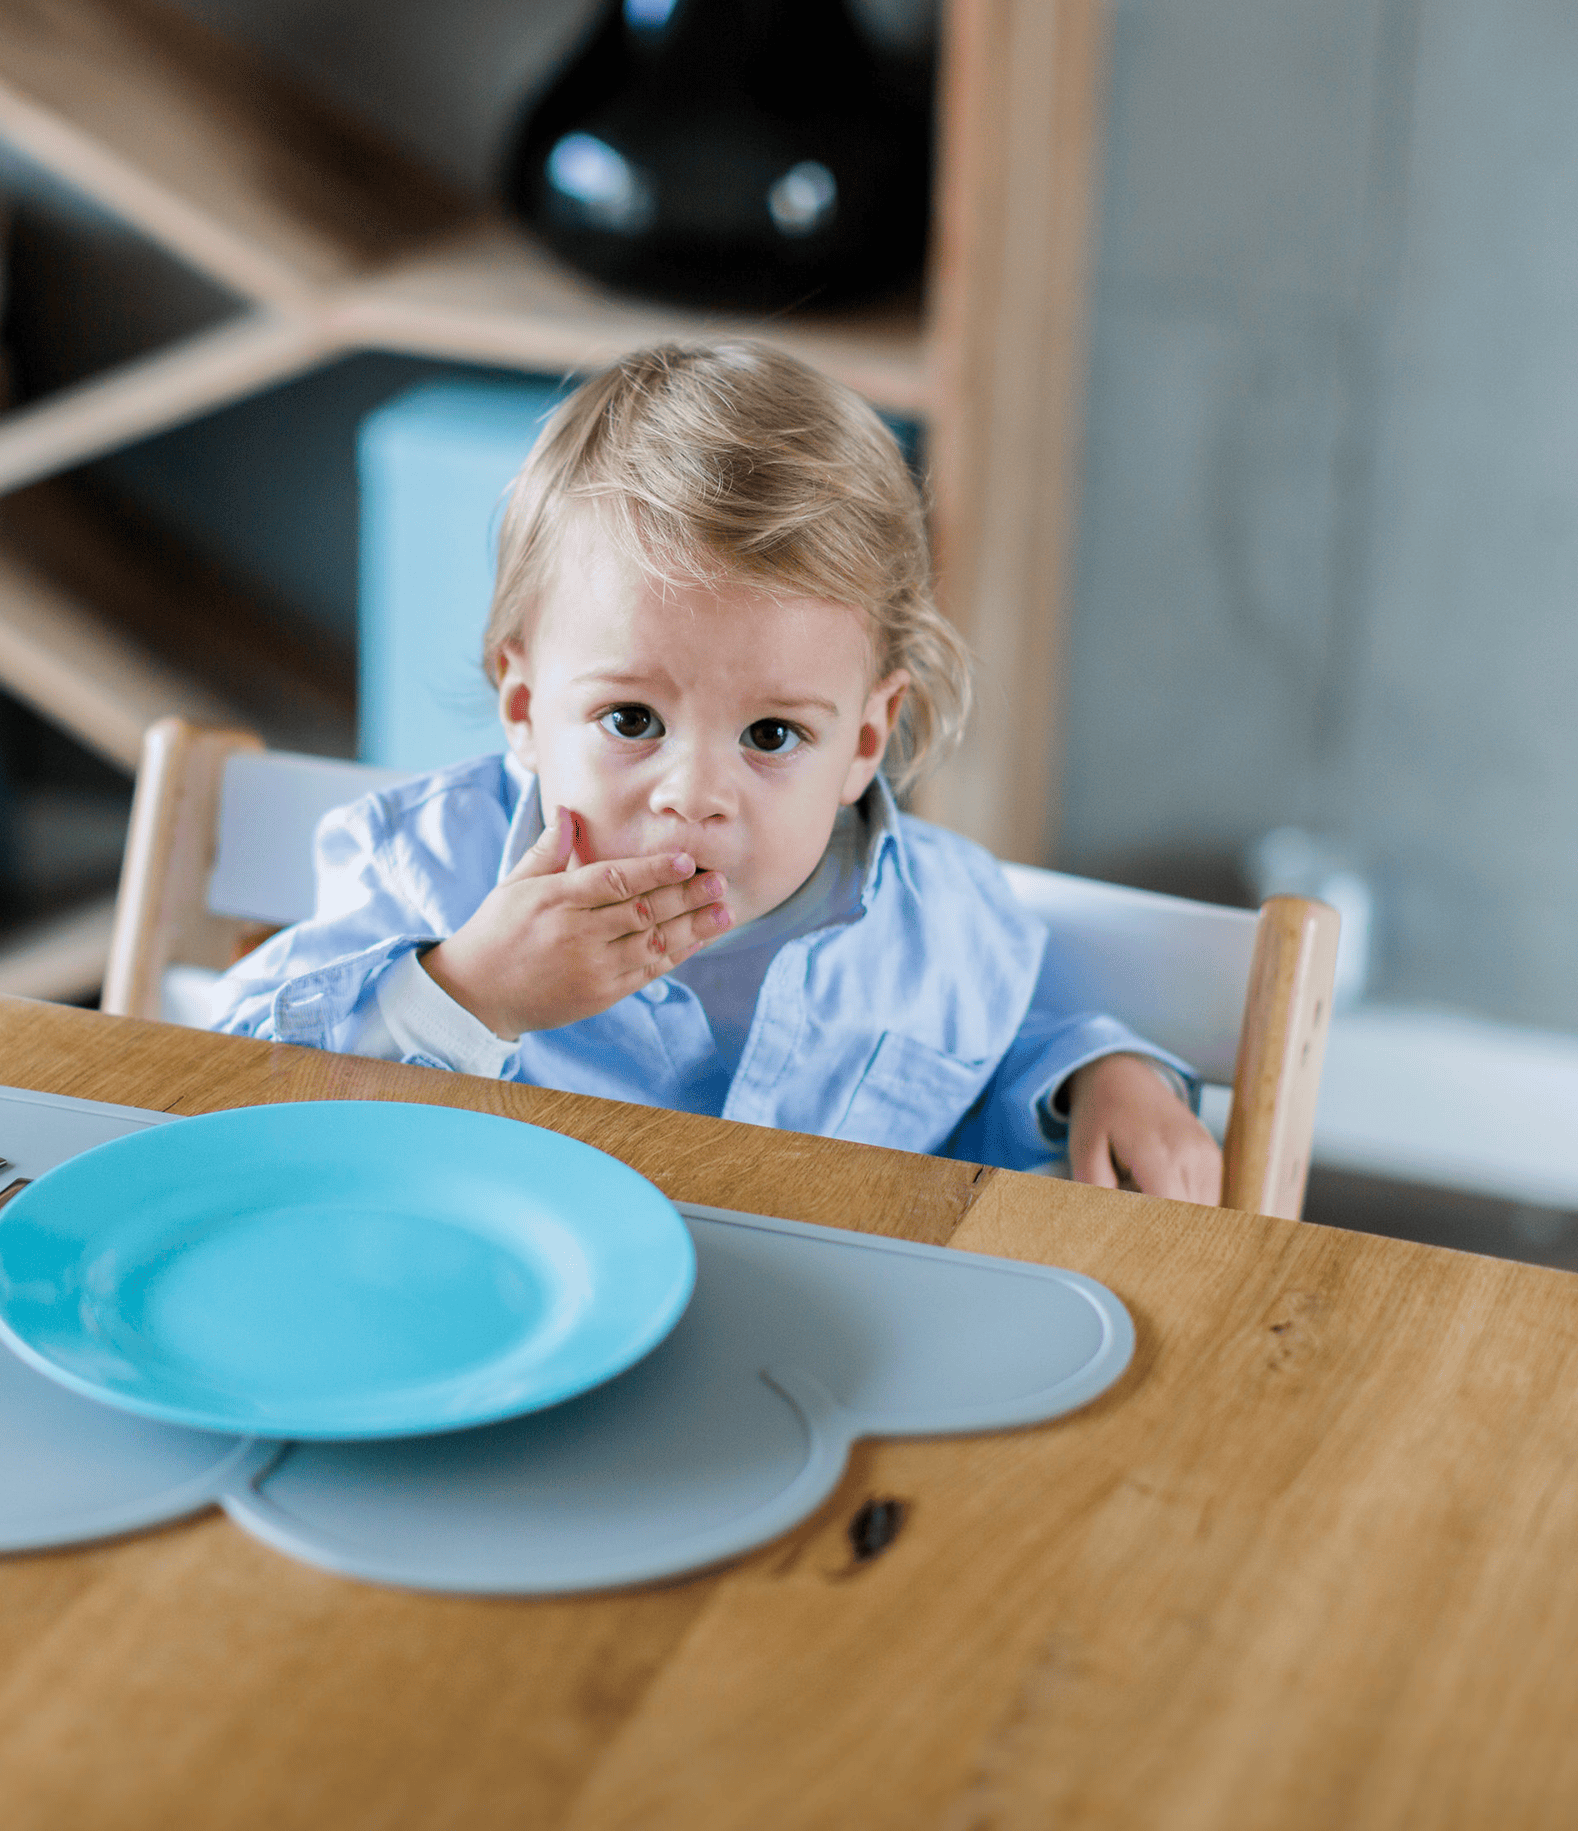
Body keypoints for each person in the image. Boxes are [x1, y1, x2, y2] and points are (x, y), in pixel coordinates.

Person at [213, 342, 1221, 1202]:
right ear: (523, 709)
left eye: (772, 735)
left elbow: (993, 1070)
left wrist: (1103, 1074)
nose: (692, 795)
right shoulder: (422, 867)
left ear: (864, 742)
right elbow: (220, 1080)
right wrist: (469, 991)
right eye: (631, 718)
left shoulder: (937, 928)